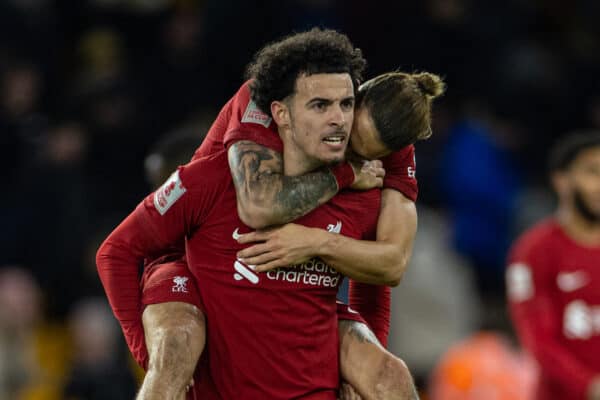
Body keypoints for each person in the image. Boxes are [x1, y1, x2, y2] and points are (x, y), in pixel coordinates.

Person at [98, 28, 444, 398]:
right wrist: (146, 355)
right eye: (323, 108)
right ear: (282, 114)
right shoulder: (256, 110)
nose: (342, 136)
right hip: (189, 255)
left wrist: (360, 367)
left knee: (389, 375)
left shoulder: (381, 156)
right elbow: (258, 207)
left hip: (291, 307)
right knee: (177, 341)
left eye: (344, 110)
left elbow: (383, 268)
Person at [506, 131, 600, 400]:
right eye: (592, 172)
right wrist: (590, 386)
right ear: (562, 181)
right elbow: (537, 340)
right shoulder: (533, 251)